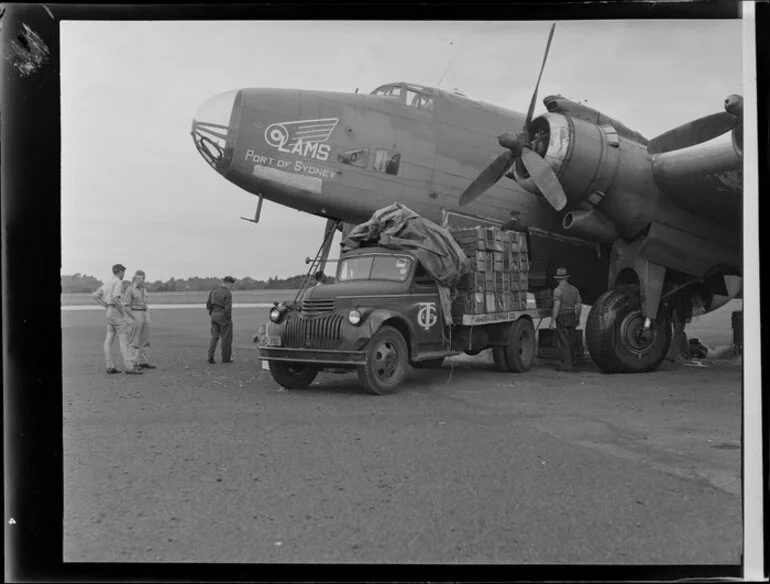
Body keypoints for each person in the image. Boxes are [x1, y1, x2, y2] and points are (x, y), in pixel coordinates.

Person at [92, 263, 139, 374]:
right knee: (124, 341)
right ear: (120, 272)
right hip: (116, 311)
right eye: (123, 272)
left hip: (109, 311)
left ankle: (110, 366)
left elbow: (95, 296)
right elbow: (116, 299)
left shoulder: (108, 282)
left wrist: (106, 306)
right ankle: (129, 367)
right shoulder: (118, 282)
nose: (124, 274)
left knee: (108, 340)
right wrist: (124, 314)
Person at [549, 267, 582, 372]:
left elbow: (556, 307)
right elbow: (579, 305)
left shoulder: (558, 290)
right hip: (572, 315)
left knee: (563, 341)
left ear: (558, 279)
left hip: (562, 316)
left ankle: (566, 365)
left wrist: (552, 320)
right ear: (566, 278)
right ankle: (572, 361)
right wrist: (578, 317)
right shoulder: (574, 289)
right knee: (571, 339)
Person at [122, 269, 156, 372]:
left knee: (145, 339)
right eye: (140, 277)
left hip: (145, 313)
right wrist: (133, 318)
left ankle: (143, 361)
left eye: (144, 278)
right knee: (134, 340)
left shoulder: (144, 289)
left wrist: (146, 315)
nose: (143, 280)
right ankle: (133, 363)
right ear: (135, 277)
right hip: (135, 313)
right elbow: (126, 306)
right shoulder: (130, 289)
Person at [206, 276, 235, 364]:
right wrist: (228, 319)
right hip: (223, 315)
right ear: (228, 283)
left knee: (214, 337)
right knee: (226, 338)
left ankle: (210, 357)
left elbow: (208, 305)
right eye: (232, 285)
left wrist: (212, 314)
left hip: (214, 314)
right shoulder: (227, 293)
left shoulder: (213, 292)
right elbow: (228, 308)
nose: (232, 287)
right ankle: (226, 359)